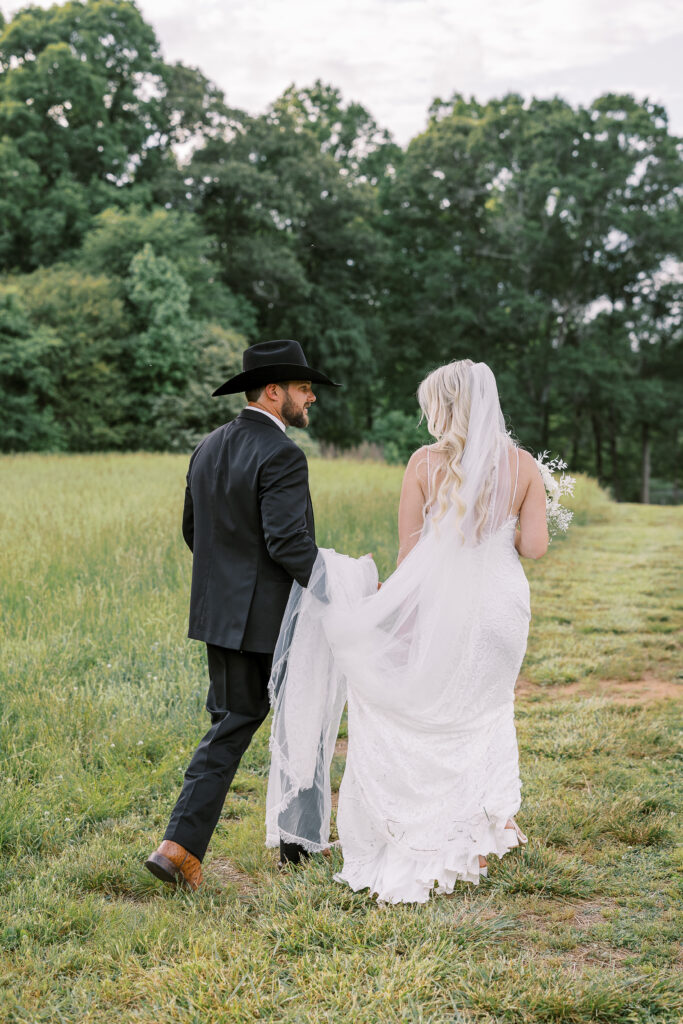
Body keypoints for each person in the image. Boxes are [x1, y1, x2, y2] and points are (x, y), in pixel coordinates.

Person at [265, 359, 549, 904]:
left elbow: (409, 554)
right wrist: (516, 517)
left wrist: (392, 617)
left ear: (444, 407)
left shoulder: (423, 464)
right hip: (501, 608)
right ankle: (487, 824)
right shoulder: (523, 467)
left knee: (434, 702)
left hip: (443, 606)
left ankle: (430, 821)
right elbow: (533, 548)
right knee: (486, 706)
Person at [145, 339, 340, 890]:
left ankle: (183, 846)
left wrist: (231, 587)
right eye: (305, 389)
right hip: (272, 620)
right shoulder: (283, 454)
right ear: (274, 392)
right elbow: (288, 544)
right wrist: (338, 587)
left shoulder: (207, 447)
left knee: (231, 723)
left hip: (219, 615)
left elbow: (194, 532)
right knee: (298, 718)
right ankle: (292, 848)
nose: (311, 400)